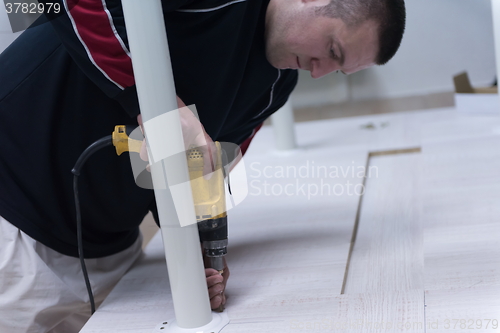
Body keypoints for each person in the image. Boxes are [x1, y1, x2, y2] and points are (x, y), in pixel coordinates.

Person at [0, 0, 406, 331]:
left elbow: (200, 170)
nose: (320, 72)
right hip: (16, 221)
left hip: (107, 250)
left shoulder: (275, 87)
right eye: (332, 51)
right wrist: (153, 105)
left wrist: (200, 257)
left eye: (338, 67)